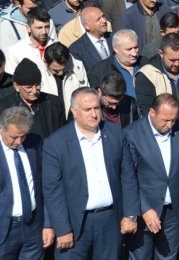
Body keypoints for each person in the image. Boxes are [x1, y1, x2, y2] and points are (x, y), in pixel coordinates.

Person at [42, 87, 131, 259]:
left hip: (110, 221)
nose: (94, 114)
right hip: (75, 224)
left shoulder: (115, 134)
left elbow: (127, 176)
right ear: (74, 111)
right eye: (87, 109)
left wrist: (130, 214)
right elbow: (52, 190)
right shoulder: (56, 143)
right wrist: (62, 228)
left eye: (96, 108)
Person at [122, 93, 179, 260]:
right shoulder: (132, 134)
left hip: (174, 211)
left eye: (173, 120)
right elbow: (128, 177)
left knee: (168, 257)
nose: (170, 125)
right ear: (152, 113)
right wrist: (144, 209)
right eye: (165, 120)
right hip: (144, 211)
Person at [0, 106, 53, 258]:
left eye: (22, 136)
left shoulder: (34, 143)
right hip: (4, 229)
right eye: (13, 137)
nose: (18, 142)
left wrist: (48, 224)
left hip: (33, 227)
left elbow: (46, 185)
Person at [0, 58, 65, 140]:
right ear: (16, 86)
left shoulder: (54, 103)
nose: (34, 91)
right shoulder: (4, 107)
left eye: (37, 85)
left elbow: (63, 133)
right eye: (28, 87)